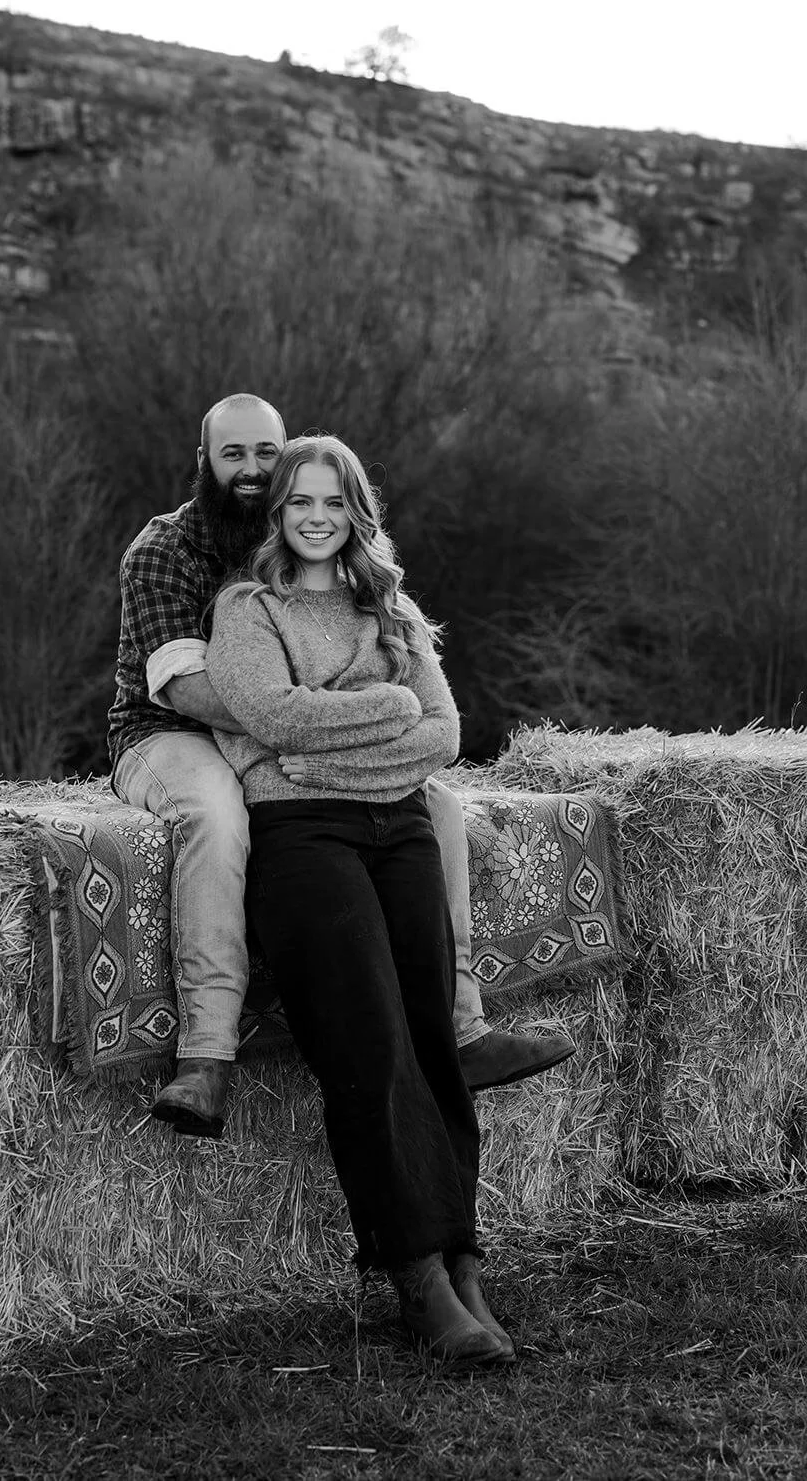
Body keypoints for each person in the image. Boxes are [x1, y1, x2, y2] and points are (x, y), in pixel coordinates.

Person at [107, 392, 574, 1138]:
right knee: (217, 814)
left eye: (268, 453)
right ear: (204, 463)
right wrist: (323, 714)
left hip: (299, 734)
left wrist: (316, 719)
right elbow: (196, 691)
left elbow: (401, 690)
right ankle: (205, 1055)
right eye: (234, 454)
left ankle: (464, 1027)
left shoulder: (305, 525)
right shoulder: (164, 552)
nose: (253, 470)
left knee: (439, 807)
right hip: (169, 734)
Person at [203, 432, 511, 1368]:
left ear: (355, 511)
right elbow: (267, 716)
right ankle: (415, 1276)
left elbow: (444, 737)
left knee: (429, 1034)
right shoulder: (246, 609)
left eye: (333, 502)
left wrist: (328, 734)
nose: (316, 517)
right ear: (278, 513)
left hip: (401, 829)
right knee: (368, 1040)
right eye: (300, 501)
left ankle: (464, 1262)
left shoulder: (395, 609)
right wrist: (385, 712)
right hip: (304, 837)